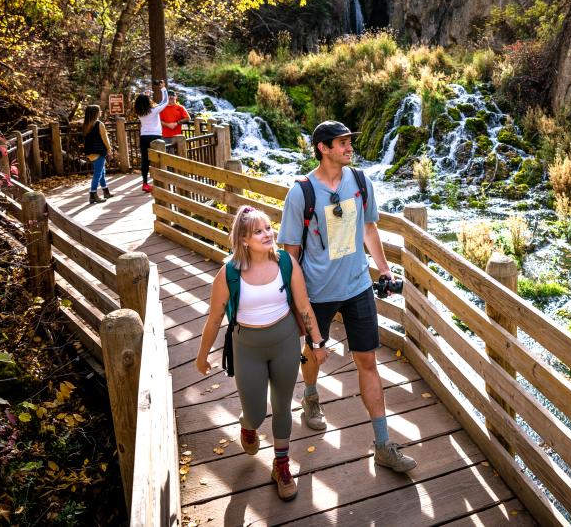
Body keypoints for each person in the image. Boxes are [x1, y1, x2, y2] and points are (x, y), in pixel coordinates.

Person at [277, 120, 416, 473]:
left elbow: (369, 229)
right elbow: (290, 253)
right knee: (313, 353)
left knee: (367, 361)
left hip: (357, 287)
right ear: (323, 148)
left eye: (349, 142)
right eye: (342, 143)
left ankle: (383, 445)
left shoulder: (360, 182)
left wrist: (384, 270)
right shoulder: (301, 193)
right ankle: (310, 397)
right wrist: (298, 300)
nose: (349, 148)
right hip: (317, 293)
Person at [195, 206, 329, 501]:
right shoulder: (228, 273)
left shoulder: (286, 263)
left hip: (285, 342)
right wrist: (202, 355)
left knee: (283, 406)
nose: (268, 234)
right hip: (248, 348)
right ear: (243, 239)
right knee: (255, 413)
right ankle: (247, 425)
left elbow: (304, 306)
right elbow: (215, 318)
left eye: (269, 228)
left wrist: (317, 343)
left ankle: (281, 465)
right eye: (258, 231)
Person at [133, 80, 169, 192]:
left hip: (144, 137)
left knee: (145, 160)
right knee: (158, 158)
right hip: (155, 136)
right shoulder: (153, 111)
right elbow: (165, 102)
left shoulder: (139, 112)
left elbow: (145, 103)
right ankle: (161, 182)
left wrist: (146, 95)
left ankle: (145, 183)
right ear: (148, 101)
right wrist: (163, 88)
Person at [81, 105, 113, 204]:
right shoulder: (99, 124)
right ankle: (93, 194)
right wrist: (109, 149)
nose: (101, 112)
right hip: (99, 151)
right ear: (96, 113)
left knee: (101, 171)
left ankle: (105, 191)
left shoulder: (86, 125)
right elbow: (105, 138)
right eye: (99, 111)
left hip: (91, 152)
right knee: (98, 174)